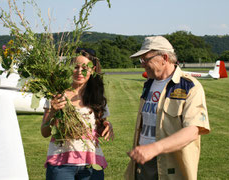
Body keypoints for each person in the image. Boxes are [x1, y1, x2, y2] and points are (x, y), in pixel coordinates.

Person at [125, 36, 210, 180]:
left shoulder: (189, 86)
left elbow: (193, 131)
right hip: (143, 164)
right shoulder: (148, 84)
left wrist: (155, 148)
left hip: (171, 166)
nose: (142, 64)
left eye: (146, 60)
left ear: (164, 57)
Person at [41, 48, 114, 180]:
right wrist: (52, 111)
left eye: (85, 67)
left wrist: (107, 126)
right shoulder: (57, 95)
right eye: (76, 67)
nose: (80, 72)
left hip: (91, 164)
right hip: (61, 165)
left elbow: (100, 128)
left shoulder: (97, 97)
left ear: (93, 70)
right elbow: (45, 132)